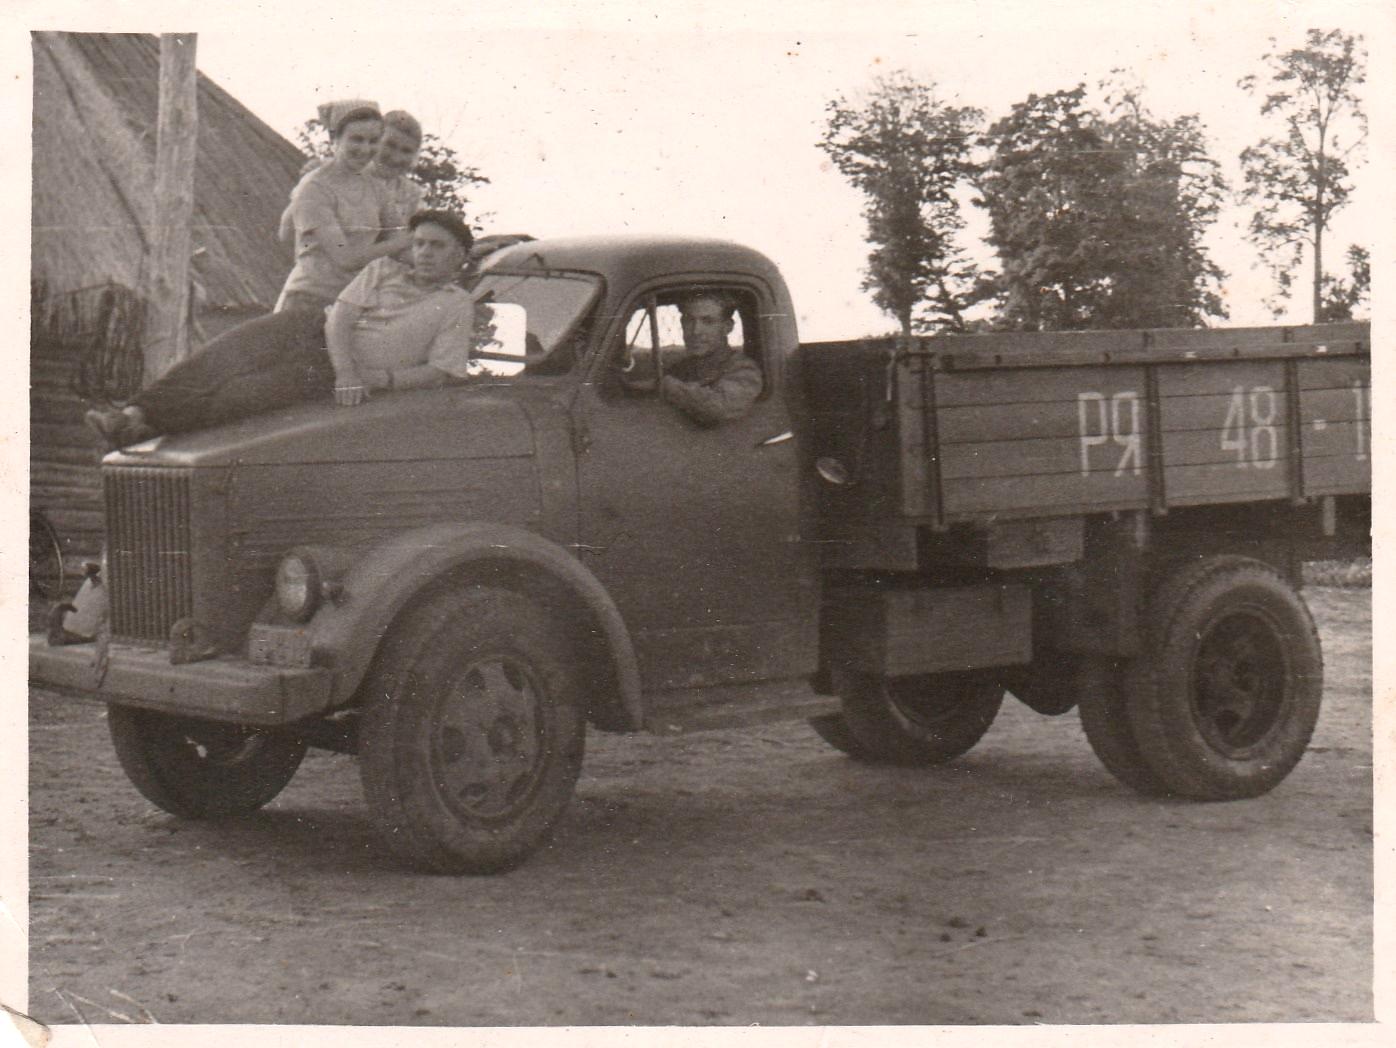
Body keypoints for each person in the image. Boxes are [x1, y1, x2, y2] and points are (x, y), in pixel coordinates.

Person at [84, 211, 478, 446]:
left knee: (243, 395)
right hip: (313, 330)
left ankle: (149, 431)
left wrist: (377, 379)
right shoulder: (382, 269)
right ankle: (131, 412)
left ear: (459, 256)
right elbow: (340, 317)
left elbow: (439, 372)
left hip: (334, 369)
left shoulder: (456, 303)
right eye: (420, 244)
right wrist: (347, 372)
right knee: (222, 356)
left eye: (437, 246)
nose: (424, 253)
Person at [276, 99, 415, 314]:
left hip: (353, 301)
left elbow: (398, 236)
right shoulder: (314, 188)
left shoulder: (374, 186)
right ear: (335, 138)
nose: (365, 149)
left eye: (373, 141)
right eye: (356, 139)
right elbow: (346, 258)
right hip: (309, 300)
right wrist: (409, 239)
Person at [278, 109, 424, 250]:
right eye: (389, 145)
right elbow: (287, 234)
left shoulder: (411, 195)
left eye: (406, 151)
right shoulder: (330, 175)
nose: (396, 157)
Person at [643, 291, 762, 426]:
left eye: (708, 321)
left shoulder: (744, 369)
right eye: (689, 320)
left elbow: (718, 408)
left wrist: (667, 386)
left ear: (727, 327)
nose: (696, 331)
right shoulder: (682, 368)